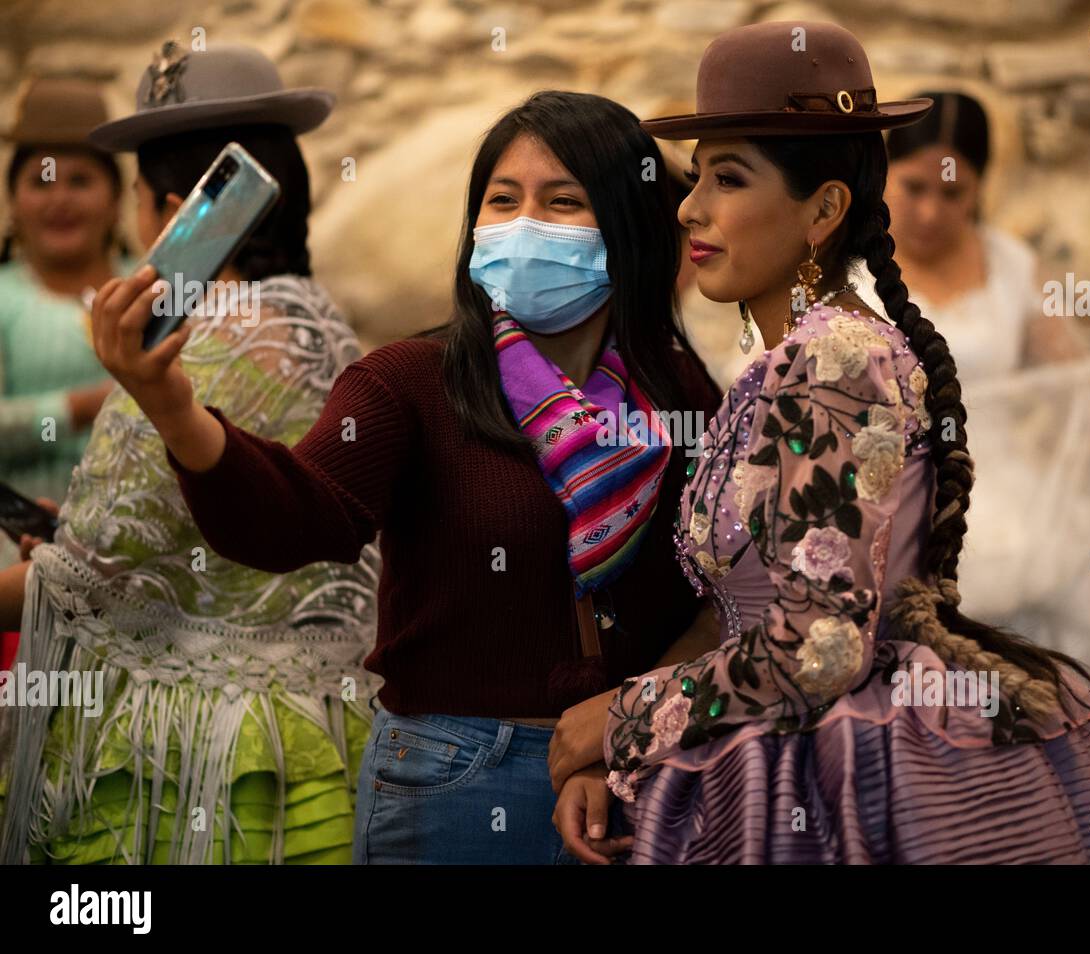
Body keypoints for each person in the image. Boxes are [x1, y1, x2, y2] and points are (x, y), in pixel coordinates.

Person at [547, 20, 1090, 864]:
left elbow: (818, 644)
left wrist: (620, 718)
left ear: (824, 209)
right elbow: (750, 611)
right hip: (779, 743)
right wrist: (622, 744)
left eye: (727, 178)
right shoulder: (789, 361)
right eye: (696, 175)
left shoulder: (839, 362)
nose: (690, 207)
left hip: (853, 775)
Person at [83, 87, 721, 864]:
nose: (524, 227)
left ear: (629, 226)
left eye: (563, 203)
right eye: (501, 201)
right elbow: (298, 519)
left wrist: (623, 723)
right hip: (454, 780)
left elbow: (716, 593)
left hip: (636, 780)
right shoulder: (409, 382)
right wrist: (175, 408)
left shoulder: (682, 398)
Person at [0, 42, 381, 864]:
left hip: (197, 775)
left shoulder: (190, 349)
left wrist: (57, 559)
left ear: (174, 213)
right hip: (322, 760)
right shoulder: (329, 328)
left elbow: (87, 579)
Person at [850, 90, 1090, 735]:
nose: (933, 211)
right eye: (914, 188)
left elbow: (1067, 370)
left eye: (955, 194)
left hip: (1010, 504)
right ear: (882, 177)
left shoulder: (1012, 265)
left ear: (981, 189)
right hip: (896, 498)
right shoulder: (852, 278)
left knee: (1040, 646)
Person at [0, 78, 131, 569]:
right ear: (13, 200)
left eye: (80, 181)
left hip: (131, 569)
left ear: (117, 199)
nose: (61, 199)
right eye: (41, 181)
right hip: (14, 562)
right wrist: (81, 407)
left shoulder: (155, 291)